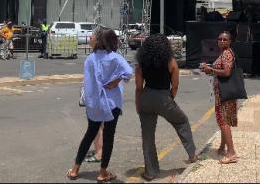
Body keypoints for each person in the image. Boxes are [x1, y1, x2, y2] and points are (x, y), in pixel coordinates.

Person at [67, 28, 132, 182]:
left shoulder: (90, 59)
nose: (90, 38)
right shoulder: (115, 58)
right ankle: (102, 173)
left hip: (95, 103)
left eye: (93, 37)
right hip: (112, 102)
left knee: (89, 134)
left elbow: (88, 83)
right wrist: (116, 81)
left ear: (99, 41)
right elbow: (129, 71)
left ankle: (75, 169)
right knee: (109, 137)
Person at [136, 35, 197, 181]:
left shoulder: (141, 64)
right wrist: (169, 99)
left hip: (146, 97)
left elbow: (139, 88)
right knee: (181, 121)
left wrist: (138, 105)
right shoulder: (171, 62)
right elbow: (175, 86)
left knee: (148, 137)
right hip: (164, 98)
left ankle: (151, 172)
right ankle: (192, 155)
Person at [199, 31, 238, 165]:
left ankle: (231, 152)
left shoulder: (226, 53)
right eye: (219, 39)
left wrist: (211, 70)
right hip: (222, 93)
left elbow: (226, 72)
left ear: (229, 41)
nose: (221, 41)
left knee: (223, 121)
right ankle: (222, 147)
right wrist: (209, 68)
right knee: (224, 120)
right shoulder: (225, 53)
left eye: (224, 39)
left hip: (224, 94)